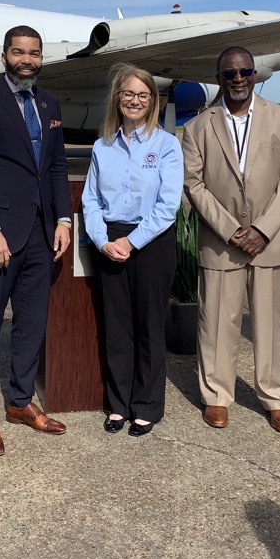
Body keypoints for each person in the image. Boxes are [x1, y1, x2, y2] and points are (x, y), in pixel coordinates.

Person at [0, 25, 71, 457]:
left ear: (42, 58)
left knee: (31, 324)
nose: (27, 59)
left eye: (34, 53)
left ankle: (21, 401)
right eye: (19, 52)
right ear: (3, 56)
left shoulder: (49, 103)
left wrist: (63, 219)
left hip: (42, 234)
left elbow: (56, 165)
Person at [182, 46, 280, 434]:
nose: (238, 79)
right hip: (221, 241)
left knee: (271, 323)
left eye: (245, 72)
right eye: (230, 74)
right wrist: (231, 229)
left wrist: (262, 229)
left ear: (255, 75)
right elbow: (193, 183)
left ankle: (274, 396)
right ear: (218, 78)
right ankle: (217, 396)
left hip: (271, 239)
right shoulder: (198, 127)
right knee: (217, 321)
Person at [81, 65, 182, 437]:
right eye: (128, 94)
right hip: (109, 242)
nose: (135, 101)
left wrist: (131, 241)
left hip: (150, 243)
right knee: (117, 329)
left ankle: (147, 406)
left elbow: (168, 205)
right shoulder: (101, 146)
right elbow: (91, 200)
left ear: (152, 101)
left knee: (149, 329)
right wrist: (101, 239)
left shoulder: (166, 144)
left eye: (143, 95)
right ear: (117, 99)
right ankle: (119, 404)